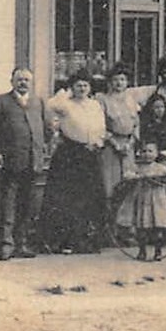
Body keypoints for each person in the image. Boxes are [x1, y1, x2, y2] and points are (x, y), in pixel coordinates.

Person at [0, 65, 48, 260]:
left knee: (26, 206)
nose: (23, 82)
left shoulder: (38, 102)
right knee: (6, 205)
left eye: (26, 79)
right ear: (12, 81)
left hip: (33, 162)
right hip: (9, 163)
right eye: (19, 79)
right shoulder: (1, 101)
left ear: (31, 83)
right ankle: (4, 247)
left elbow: (46, 129)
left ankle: (21, 244)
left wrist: (43, 150)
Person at [39, 72, 108, 253]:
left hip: (90, 153)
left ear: (90, 88)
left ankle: (87, 240)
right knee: (69, 198)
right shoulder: (65, 105)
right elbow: (50, 106)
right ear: (72, 88)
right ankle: (65, 241)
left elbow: (101, 127)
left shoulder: (95, 105)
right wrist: (64, 93)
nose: (82, 89)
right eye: (78, 85)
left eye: (85, 85)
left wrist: (97, 143)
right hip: (70, 154)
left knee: (89, 197)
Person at [115, 140, 166, 261]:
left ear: (157, 153)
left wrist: (156, 178)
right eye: (144, 151)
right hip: (143, 201)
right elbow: (127, 176)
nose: (147, 154)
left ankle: (158, 251)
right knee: (141, 228)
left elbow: (165, 180)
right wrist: (135, 177)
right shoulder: (137, 167)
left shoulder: (160, 168)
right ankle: (142, 251)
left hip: (157, 201)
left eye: (150, 151)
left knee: (158, 227)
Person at [97, 66, 141, 200]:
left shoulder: (131, 99)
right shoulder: (103, 99)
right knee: (111, 182)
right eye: (115, 80)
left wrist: (130, 143)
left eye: (122, 79)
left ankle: (126, 218)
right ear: (109, 82)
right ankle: (111, 217)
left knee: (129, 180)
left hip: (128, 146)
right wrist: (115, 144)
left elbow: (136, 124)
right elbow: (100, 126)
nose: (119, 83)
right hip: (111, 146)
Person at [138, 91, 166, 176]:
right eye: (156, 107)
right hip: (153, 158)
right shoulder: (147, 125)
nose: (159, 110)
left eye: (162, 107)